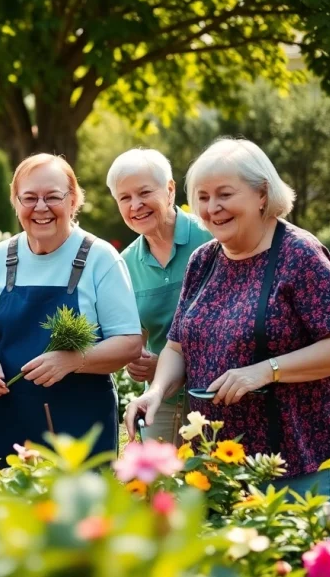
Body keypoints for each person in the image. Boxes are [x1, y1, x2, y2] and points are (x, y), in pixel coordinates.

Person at [124, 138, 330, 508]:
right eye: (202, 197)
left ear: (262, 194)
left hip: (301, 458)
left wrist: (266, 371)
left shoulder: (300, 254)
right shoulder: (204, 261)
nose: (212, 208)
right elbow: (176, 346)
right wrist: (154, 394)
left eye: (224, 194)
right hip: (221, 464)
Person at [0, 153, 143, 462]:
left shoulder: (100, 258)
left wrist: (71, 360)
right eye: (29, 198)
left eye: (53, 197)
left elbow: (130, 344)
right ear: (15, 202)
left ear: (73, 200)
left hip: (81, 425)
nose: (41, 207)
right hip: (9, 418)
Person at [108, 148, 214, 445]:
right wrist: (138, 364)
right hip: (162, 400)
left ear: (169, 190)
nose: (136, 205)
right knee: (157, 487)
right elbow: (137, 341)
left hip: (218, 395)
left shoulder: (210, 237)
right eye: (124, 198)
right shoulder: (125, 263)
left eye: (144, 192)